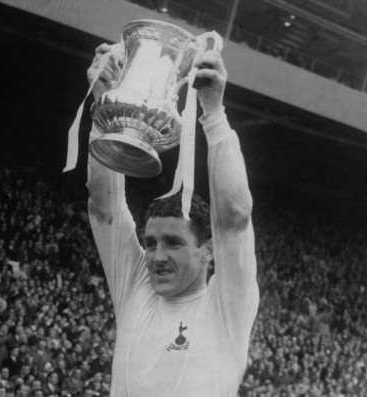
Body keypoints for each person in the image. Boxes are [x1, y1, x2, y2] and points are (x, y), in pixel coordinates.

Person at [85, 43, 260, 396]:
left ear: (208, 251)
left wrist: (214, 114)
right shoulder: (136, 287)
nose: (157, 256)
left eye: (174, 243)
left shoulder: (226, 305)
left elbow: (235, 219)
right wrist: (103, 107)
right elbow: (104, 209)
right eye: (150, 244)